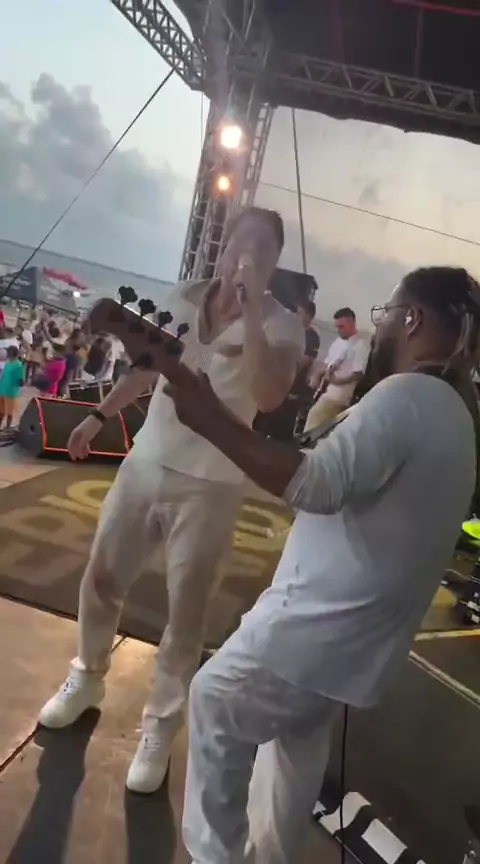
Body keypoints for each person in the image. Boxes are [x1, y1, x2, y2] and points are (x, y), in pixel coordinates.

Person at [163, 266, 480, 864]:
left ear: (412, 319)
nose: (382, 325)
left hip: (314, 629)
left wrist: (209, 419)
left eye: (387, 314)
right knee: (293, 746)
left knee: (216, 700)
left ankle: (215, 857)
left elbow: (318, 485)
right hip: (356, 648)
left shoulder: (407, 396)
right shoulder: (459, 413)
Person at [38, 207, 305, 794]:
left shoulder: (283, 326)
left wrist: (252, 311)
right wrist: (97, 417)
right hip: (147, 461)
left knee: (186, 613)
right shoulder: (182, 297)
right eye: (241, 241)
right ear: (224, 245)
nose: (248, 254)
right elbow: (145, 368)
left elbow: (268, 394)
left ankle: (159, 726)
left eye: (263, 248)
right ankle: (87, 676)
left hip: (212, 484)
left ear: (275, 261)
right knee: (101, 577)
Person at [254, 298, 320, 441]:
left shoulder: (312, 337)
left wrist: (282, 357)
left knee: (282, 430)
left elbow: (305, 361)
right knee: (261, 423)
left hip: (293, 389)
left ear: (309, 316)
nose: (296, 316)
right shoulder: (289, 329)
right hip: (274, 384)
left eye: (300, 313)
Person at [305, 306, 369, 432]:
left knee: (312, 429)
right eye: (337, 327)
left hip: (337, 398)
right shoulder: (338, 342)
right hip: (323, 394)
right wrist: (316, 375)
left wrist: (336, 380)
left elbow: (359, 373)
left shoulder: (361, 345)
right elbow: (327, 365)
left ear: (352, 323)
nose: (339, 330)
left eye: (342, 327)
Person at [0, 345, 25, 428]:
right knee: (1, 412)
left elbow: (21, 382)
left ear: (11, 354)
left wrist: (15, 382)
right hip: (2, 391)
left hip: (11, 393)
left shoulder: (19, 365)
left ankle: (7, 427)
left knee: (9, 413)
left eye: (8, 352)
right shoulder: (7, 363)